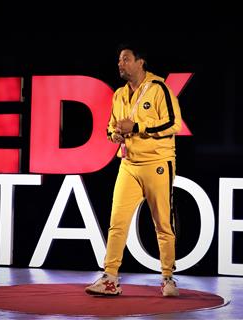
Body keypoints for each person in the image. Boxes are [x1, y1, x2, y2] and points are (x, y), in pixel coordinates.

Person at [85, 43, 182, 297]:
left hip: (157, 162)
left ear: (140, 62)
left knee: (162, 223)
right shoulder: (119, 94)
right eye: (119, 60)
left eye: (126, 59)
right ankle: (110, 277)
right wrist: (114, 134)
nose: (120, 64)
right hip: (128, 164)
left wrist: (137, 126)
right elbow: (110, 126)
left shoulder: (159, 88)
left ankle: (168, 278)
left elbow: (174, 123)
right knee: (117, 223)